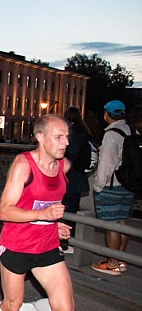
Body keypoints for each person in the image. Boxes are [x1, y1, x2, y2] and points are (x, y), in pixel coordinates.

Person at [0, 114, 74, 311]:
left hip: (47, 245)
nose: (66, 143)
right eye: (59, 137)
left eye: (67, 137)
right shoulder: (24, 165)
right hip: (17, 245)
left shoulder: (65, 166)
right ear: (40, 137)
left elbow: (51, 203)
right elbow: (4, 211)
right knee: (11, 304)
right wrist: (45, 214)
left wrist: (56, 222)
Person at [90, 100, 137, 276]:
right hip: (129, 184)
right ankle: (120, 260)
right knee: (122, 222)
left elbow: (106, 164)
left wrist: (98, 185)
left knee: (111, 224)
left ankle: (112, 263)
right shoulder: (133, 131)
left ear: (106, 115)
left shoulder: (111, 135)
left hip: (112, 184)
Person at [61, 107, 92, 253]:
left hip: (71, 177)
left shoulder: (73, 133)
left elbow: (70, 154)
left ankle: (68, 242)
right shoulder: (84, 130)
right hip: (79, 176)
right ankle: (69, 241)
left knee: (68, 210)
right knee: (72, 209)